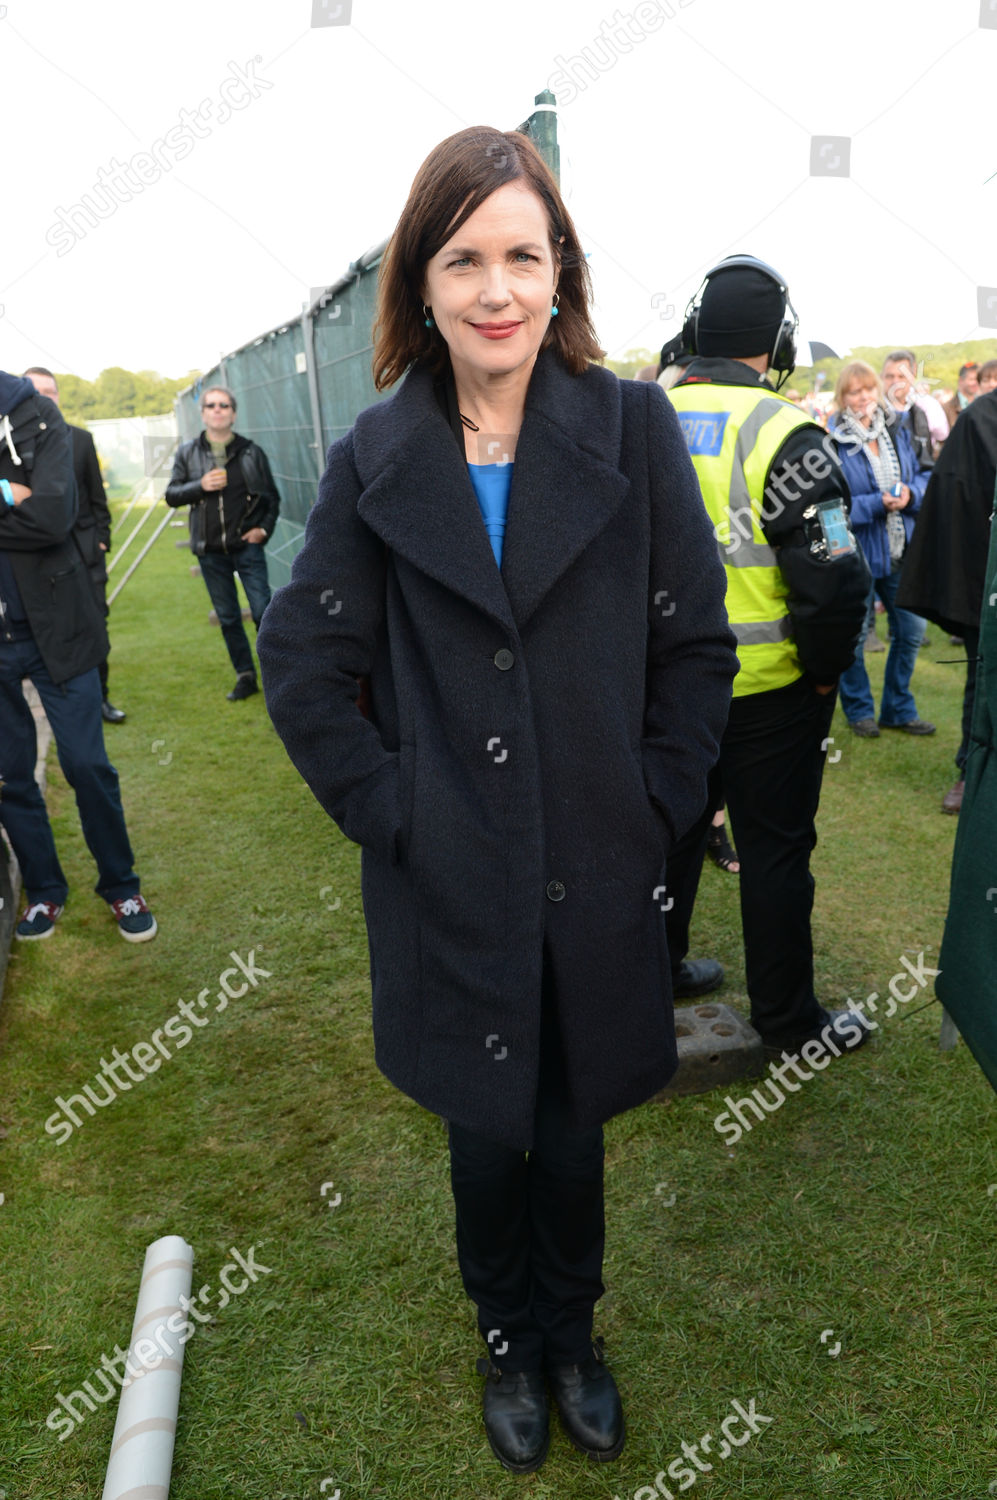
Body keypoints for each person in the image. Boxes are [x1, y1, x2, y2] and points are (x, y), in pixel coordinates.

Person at [258, 125, 737, 1474]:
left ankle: (575, 1334)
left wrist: (654, 799)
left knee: (573, 1135)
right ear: (420, 284)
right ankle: (507, 1341)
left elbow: (693, 644)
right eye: (462, 258)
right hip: (449, 884)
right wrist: (395, 809)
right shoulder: (374, 456)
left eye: (522, 255)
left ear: (558, 270)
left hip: (597, 864)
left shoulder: (630, 427)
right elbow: (305, 660)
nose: (495, 289)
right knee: (486, 1142)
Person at [663, 254, 872, 1063]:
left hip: (666, 688)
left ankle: (657, 972)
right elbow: (831, 572)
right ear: (777, 339)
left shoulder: (645, 415)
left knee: (672, 836)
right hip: (769, 691)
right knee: (775, 849)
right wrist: (823, 670)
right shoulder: (787, 432)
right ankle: (788, 1021)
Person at [0, 371, 156, 942]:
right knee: (10, 777)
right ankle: (43, 892)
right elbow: (30, 512)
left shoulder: (41, 417)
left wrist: (22, 501)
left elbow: (51, 516)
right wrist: (8, 494)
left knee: (87, 766)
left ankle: (121, 885)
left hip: (58, 631)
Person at [897, 382, 997, 813]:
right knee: (984, 680)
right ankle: (969, 771)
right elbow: (956, 498)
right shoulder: (981, 419)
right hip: (988, 586)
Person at [828, 361, 933, 737]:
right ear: (842, 398)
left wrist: (911, 494)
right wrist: (876, 503)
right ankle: (859, 710)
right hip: (856, 557)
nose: (864, 398)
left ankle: (898, 708)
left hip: (899, 546)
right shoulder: (830, 441)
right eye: (854, 392)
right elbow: (828, 509)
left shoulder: (895, 429)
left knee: (911, 629)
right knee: (853, 637)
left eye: (869, 389)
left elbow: (923, 473)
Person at [23, 366, 125, 724]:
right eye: (35, 390)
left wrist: (100, 542)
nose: (44, 397)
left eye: (50, 391)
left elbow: (98, 499)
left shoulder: (79, 440)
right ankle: (60, 704)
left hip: (85, 555)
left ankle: (102, 700)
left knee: (96, 627)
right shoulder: (15, 447)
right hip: (42, 560)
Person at [165, 387, 280, 700]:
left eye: (224, 405)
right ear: (203, 413)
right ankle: (245, 676)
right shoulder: (188, 453)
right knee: (228, 618)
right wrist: (199, 486)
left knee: (263, 612)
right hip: (210, 551)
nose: (218, 410)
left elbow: (271, 498)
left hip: (247, 547)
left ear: (233, 413)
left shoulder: (251, 451)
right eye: (211, 405)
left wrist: (263, 531)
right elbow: (171, 495)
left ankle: (278, 676)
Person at [880, 349, 948, 468]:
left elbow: (941, 436)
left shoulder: (923, 409)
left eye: (902, 376)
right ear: (882, 377)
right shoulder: (870, 411)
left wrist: (914, 487)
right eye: (890, 376)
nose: (895, 381)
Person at [942, 361, 979, 429]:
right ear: (961, 381)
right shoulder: (946, 408)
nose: (975, 383)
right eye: (972, 379)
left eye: (978, 379)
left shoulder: (983, 404)